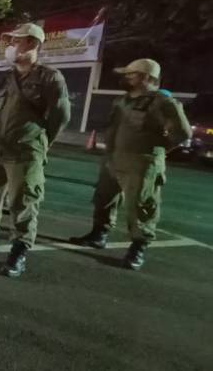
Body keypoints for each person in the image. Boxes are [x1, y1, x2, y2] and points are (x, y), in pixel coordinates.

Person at [0, 23, 71, 278]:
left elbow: (61, 116)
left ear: (33, 44)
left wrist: (42, 142)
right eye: (11, 41)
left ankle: (19, 250)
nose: (10, 46)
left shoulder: (50, 78)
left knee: (23, 201)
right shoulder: (8, 77)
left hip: (26, 150)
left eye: (16, 41)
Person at [70, 59, 191, 270]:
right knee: (104, 198)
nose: (125, 78)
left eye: (130, 74)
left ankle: (138, 247)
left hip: (141, 163)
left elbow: (183, 133)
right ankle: (99, 234)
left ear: (147, 77)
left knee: (140, 205)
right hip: (113, 159)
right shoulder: (122, 101)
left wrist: (158, 151)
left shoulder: (162, 102)